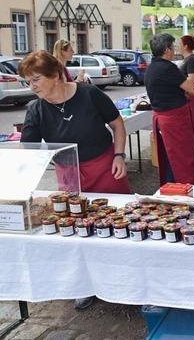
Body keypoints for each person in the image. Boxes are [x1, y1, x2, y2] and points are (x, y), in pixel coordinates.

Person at [19, 50, 131, 310]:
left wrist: (119, 155)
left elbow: (117, 124)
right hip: (68, 173)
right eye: (28, 81)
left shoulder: (89, 94)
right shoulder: (36, 108)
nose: (31, 86)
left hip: (105, 165)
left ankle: (124, 279)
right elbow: (30, 150)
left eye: (35, 79)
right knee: (77, 228)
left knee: (117, 221)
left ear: (55, 75)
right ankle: (86, 285)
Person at [145, 33, 194, 185]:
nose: (175, 50)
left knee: (169, 158)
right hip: (175, 119)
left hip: (162, 117)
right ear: (167, 50)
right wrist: (185, 92)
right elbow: (193, 89)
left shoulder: (151, 68)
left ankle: (171, 188)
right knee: (184, 159)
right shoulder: (167, 68)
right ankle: (187, 191)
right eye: (173, 47)